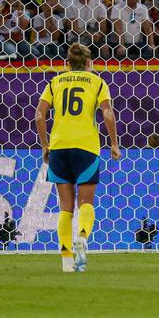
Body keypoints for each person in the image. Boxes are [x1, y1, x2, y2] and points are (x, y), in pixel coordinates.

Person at [34, 43, 120, 273]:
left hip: (59, 147)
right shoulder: (97, 82)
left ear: (67, 63)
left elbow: (40, 114)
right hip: (86, 147)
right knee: (86, 203)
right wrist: (114, 142)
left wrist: (45, 144)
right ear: (89, 63)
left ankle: (66, 261)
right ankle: (82, 236)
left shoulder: (55, 82)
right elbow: (107, 112)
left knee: (65, 207)